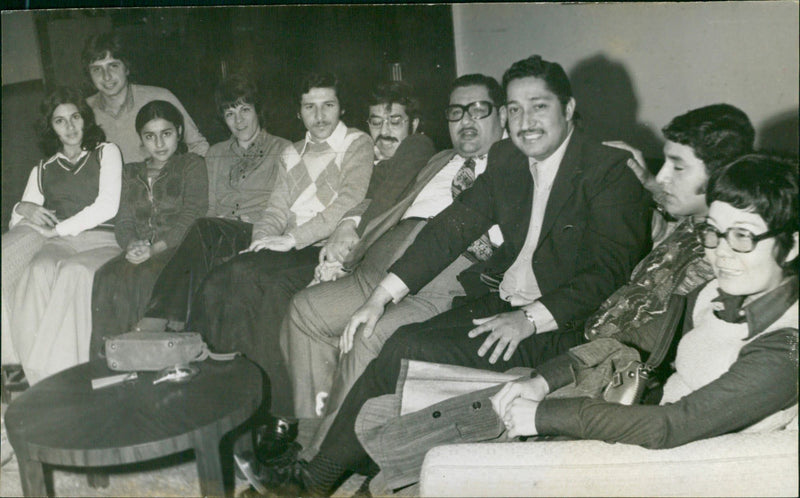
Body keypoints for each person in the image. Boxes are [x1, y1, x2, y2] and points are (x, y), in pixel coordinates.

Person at [247, 54, 652, 496]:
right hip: (502, 305)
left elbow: (608, 272)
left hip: (564, 327)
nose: (525, 121)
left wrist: (530, 319)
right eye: (514, 109)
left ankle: (319, 481)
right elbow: (447, 231)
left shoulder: (608, 171)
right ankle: (326, 476)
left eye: (539, 106)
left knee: (409, 348)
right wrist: (379, 298)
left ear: (568, 109)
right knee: (395, 341)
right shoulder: (508, 160)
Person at [347, 103, 756, 492]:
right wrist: (653, 187)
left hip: (589, 362)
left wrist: (542, 388)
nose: (662, 175)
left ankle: (338, 476)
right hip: (579, 344)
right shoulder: (694, 231)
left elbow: (639, 361)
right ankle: (342, 473)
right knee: (399, 358)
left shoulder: (721, 267)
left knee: (408, 354)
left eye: (677, 167)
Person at [276, 74, 506, 466]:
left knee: (368, 334)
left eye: (479, 110)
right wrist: (346, 232)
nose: (466, 120)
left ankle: (318, 462)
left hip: (438, 280)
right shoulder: (439, 160)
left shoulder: (516, 167)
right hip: (377, 266)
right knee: (304, 311)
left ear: (502, 115)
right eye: (456, 112)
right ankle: (307, 431)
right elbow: (382, 199)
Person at [232, 80, 436, 473]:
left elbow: (371, 209)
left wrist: (344, 237)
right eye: (377, 121)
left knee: (285, 294)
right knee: (263, 287)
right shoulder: (377, 159)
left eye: (396, 120)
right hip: (359, 259)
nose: (385, 129)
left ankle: (302, 431)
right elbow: (359, 204)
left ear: (414, 124)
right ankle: (289, 421)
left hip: (387, 269)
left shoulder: (417, 149)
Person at [186, 71, 373, 447]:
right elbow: (274, 209)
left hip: (319, 246)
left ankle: (281, 411)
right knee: (220, 281)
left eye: (328, 105)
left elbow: (348, 203)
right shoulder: (292, 153)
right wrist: (260, 242)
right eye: (310, 107)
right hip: (286, 242)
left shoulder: (357, 143)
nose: (319, 116)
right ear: (299, 112)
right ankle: (225, 405)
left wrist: (291, 239)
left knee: (264, 287)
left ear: (342, 108)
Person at [118, 75, 291, 338]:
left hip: (258, 233)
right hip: (216, 234)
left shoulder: (283, 149)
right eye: (230, 113)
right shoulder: (215, 153)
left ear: (259, 111)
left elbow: (283, 206)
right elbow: (206, 208)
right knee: (202, 241)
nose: (239, 120)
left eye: (245, 109)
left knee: (202, 231)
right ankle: (176, 333)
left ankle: (157, 318)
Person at [3, 87, 122, 385]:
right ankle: (32, 378)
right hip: (60, 242)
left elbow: (108, 207)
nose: (70, 127)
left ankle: (68, 376)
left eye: (75, 117)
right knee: (36, 270)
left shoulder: (106, 152)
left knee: (73, 271)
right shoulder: (43, 168)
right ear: (51, 128)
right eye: (59, 121)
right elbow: (18, 222)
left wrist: (57, 229)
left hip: (103, 241)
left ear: (85, 120)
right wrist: (22, 206)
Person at [91, 101, 208, 345]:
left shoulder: (191, 164)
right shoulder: (129, 172)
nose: (159, 143)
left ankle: (144, 354)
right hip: (141, 249)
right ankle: (109, 358)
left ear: (178, 131)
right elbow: (123, 219)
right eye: (150, 136)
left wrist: (155, 248)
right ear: (141, 139)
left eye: (166, 134)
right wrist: (131, 244)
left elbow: (193, 214)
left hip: (179, 248)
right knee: (106, 276)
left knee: (146, 275)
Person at [82, 32, 209, 163]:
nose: (106, 76)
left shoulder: (160, 97)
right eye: (97, 69)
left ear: (127, 68)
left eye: (113, 66)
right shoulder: (83, 111)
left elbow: (199, 146)